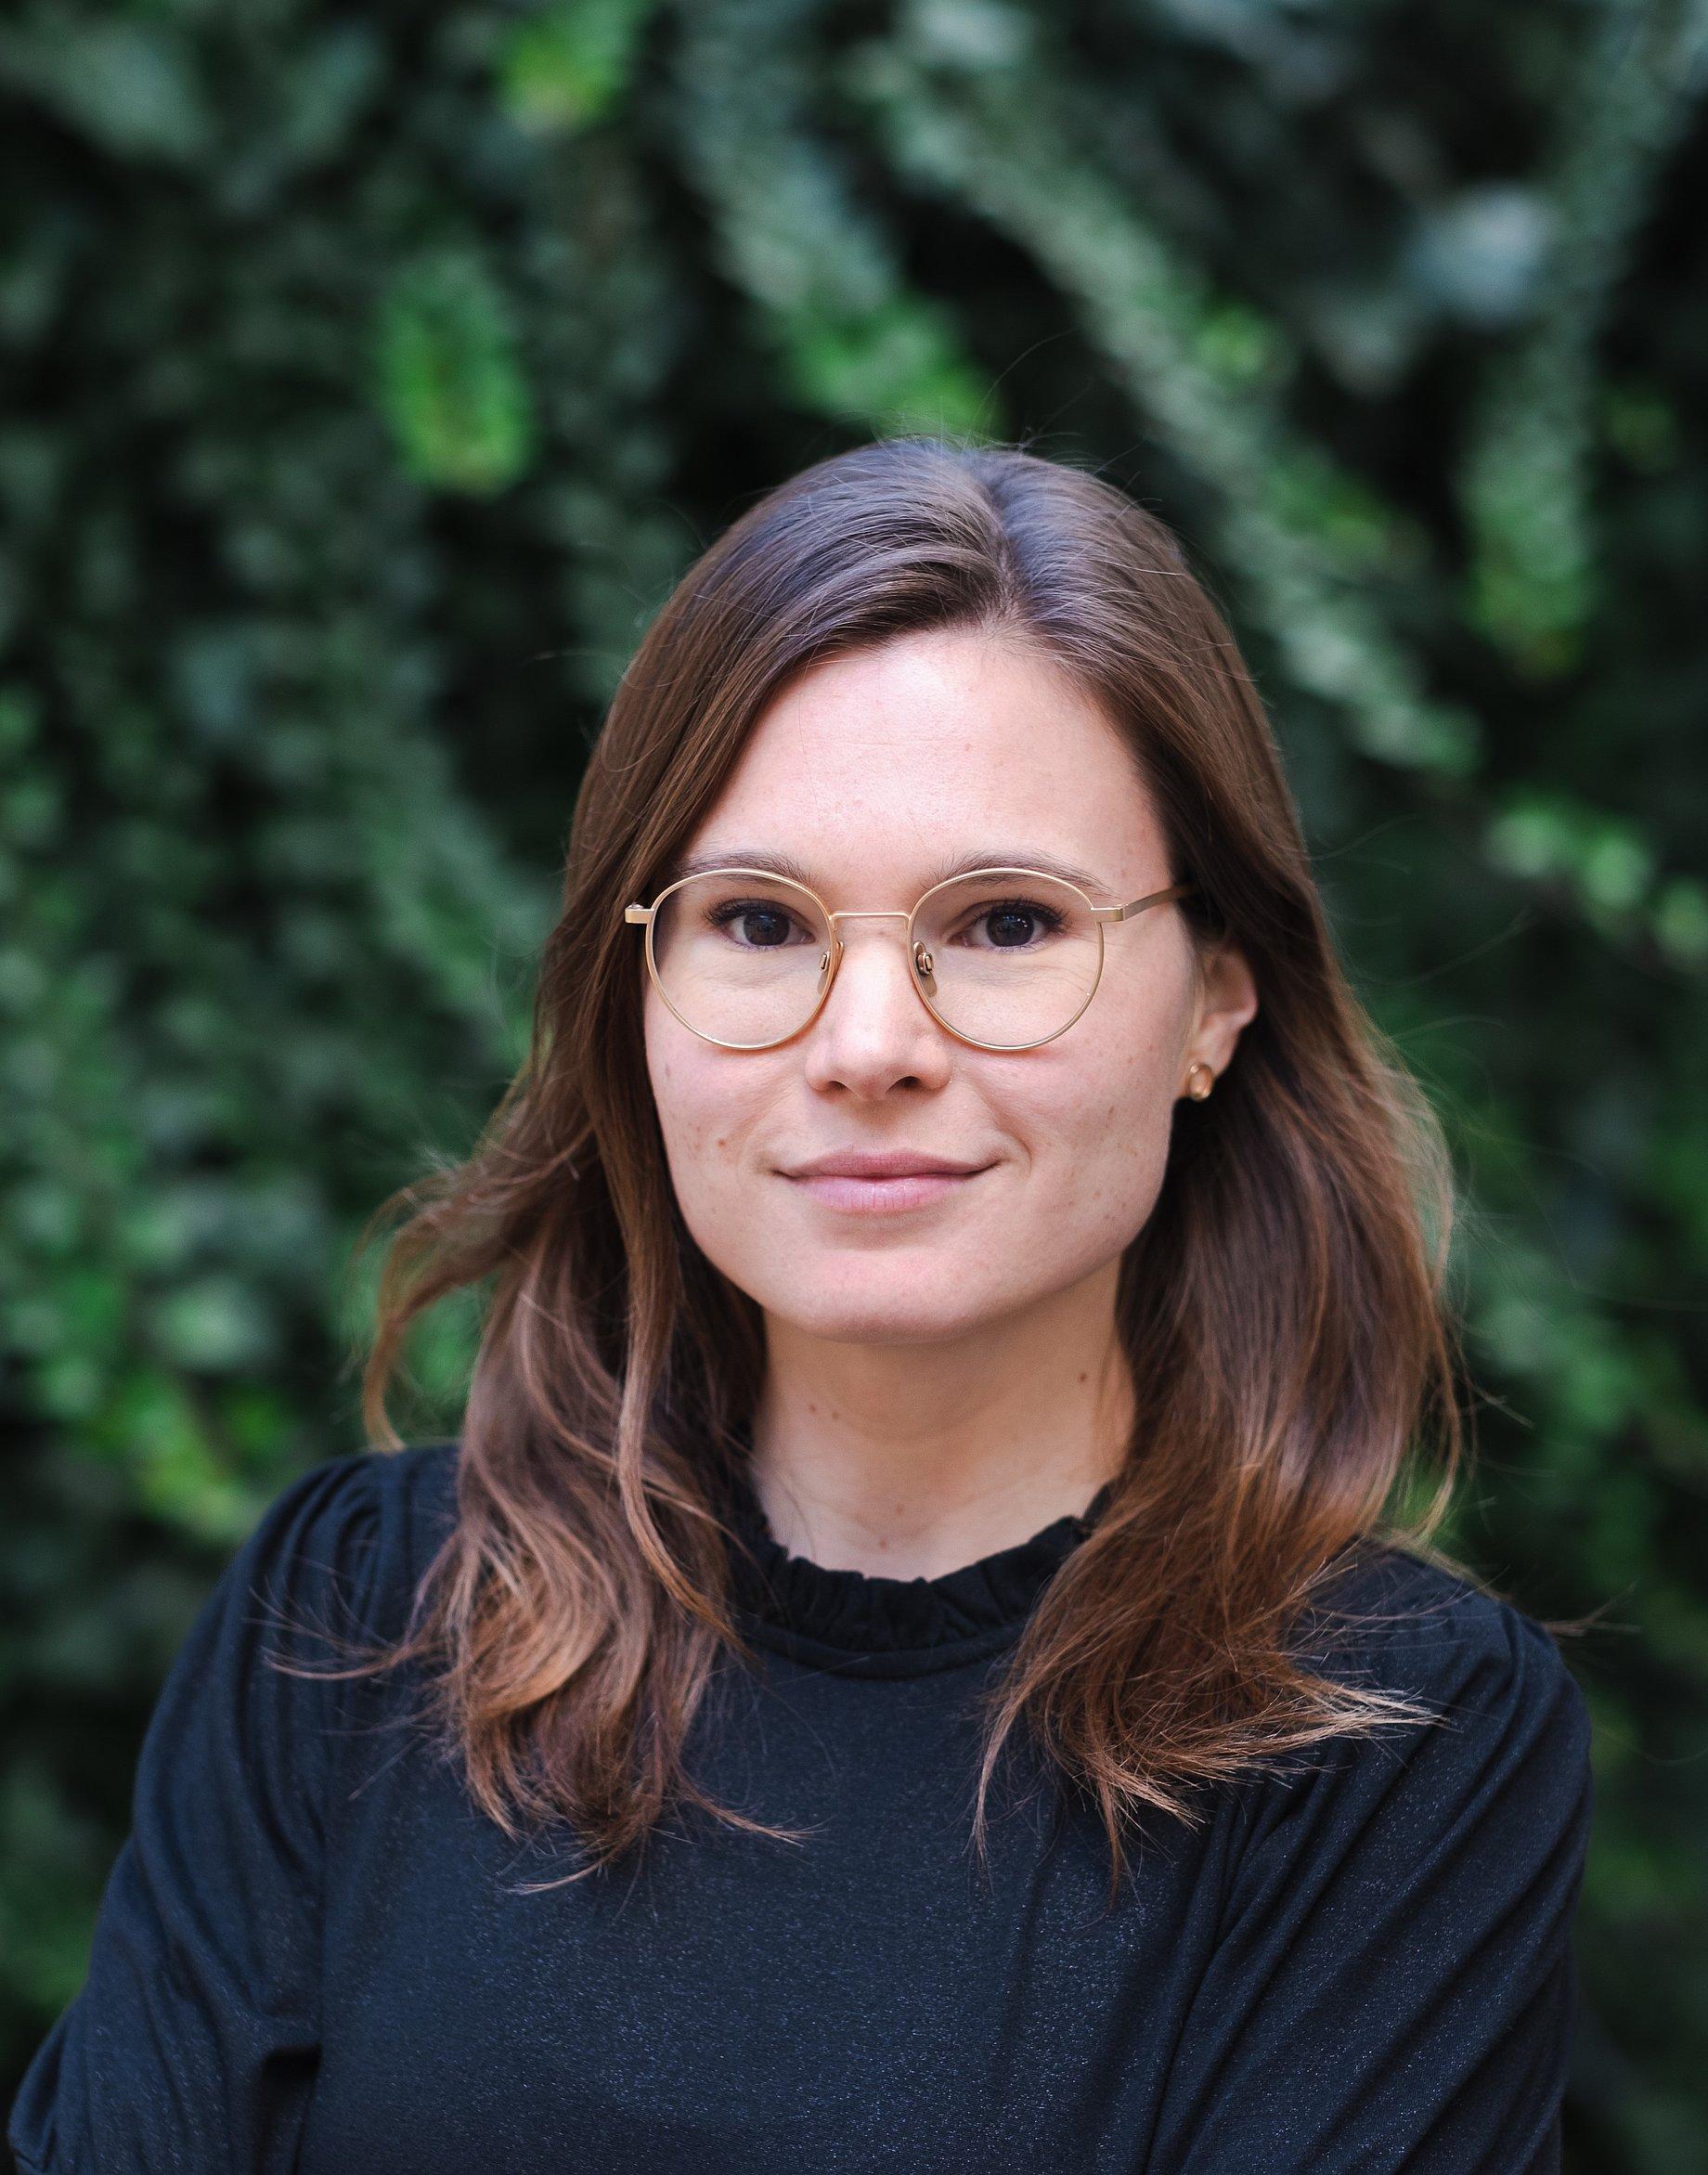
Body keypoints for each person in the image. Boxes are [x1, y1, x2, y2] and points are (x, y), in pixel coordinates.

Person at [9, 438, 1594, 2174]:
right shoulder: (352, 1626)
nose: (868, 1046)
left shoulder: (1395, 1742)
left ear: (1217, 999)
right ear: (636, 993)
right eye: (760, 921)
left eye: (1005, 923)